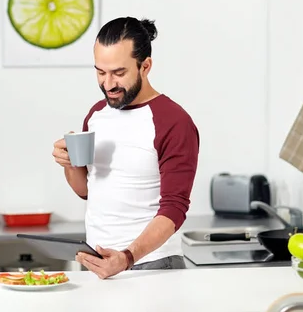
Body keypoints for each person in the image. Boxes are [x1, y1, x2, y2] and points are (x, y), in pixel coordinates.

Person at [52, 16, 200, 279]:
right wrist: (70, 163)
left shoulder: (173, 122)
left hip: (153, 265)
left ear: (145, 66)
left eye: (119, 73)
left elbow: (175, 209)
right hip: (98, 264)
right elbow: (87, 191)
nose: (108, 84)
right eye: (100, 72)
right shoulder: (97, 114)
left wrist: (127, 257)